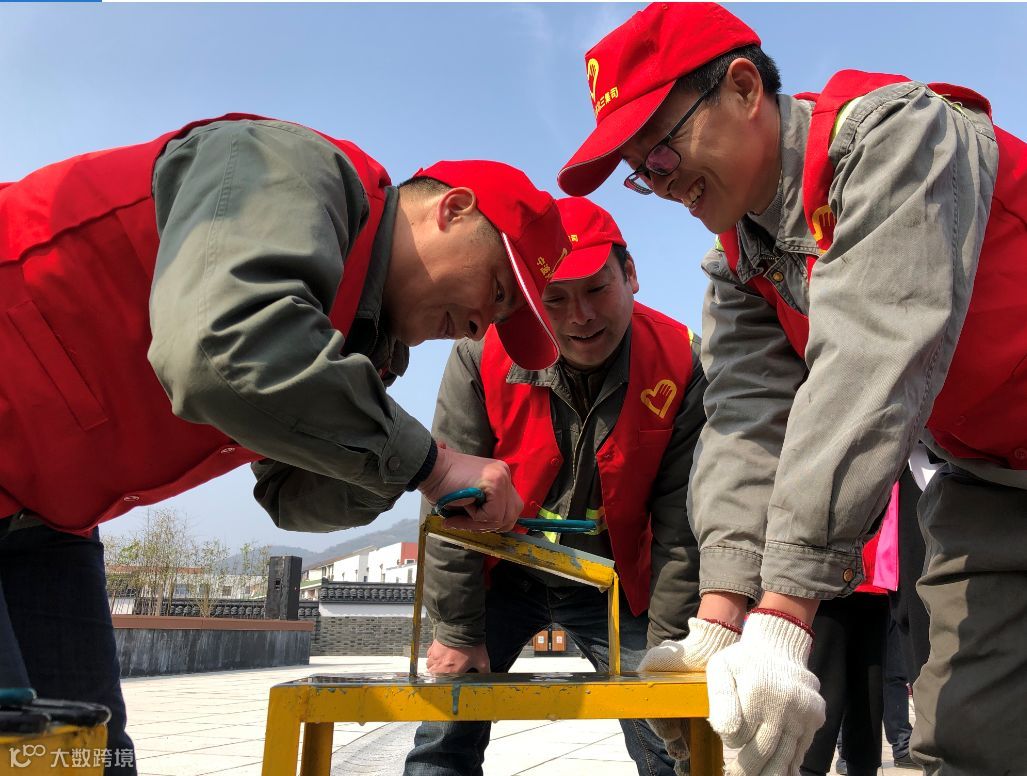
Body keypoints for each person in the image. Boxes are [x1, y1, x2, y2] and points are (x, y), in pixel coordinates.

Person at [0, 114, 570, 774]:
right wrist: (430, 464)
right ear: (454, 209)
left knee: (86, 756)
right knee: (18, 743)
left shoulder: (359, 343)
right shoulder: (290, 169)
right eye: (496, 292)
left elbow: (290, 495)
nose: (477, 329)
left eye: (496, 321)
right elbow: (218, 351)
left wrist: (406, 474)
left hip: (51, 517)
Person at [558, 3, 1027, 775]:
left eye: (662, 151)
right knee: (968, 740)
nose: (661, 185)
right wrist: (719, 618)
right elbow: (746, 425)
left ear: (744, 88)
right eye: (642, 175)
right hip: (988, 484)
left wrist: (781, 617)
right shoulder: (738, 262)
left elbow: (868, 358)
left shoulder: (896, 137)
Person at [403, 196, 707, 776]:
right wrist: (458, 631)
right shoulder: (481, 351)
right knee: (445, 731)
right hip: (499, 569)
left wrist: (669, 643)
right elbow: (447, 501)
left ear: (631, 274)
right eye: (556, 298)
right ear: (528, 294)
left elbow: (681, 521)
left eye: (596, 289)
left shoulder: (680, 360)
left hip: (615, 579)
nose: (580, 317)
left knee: (671, 737)